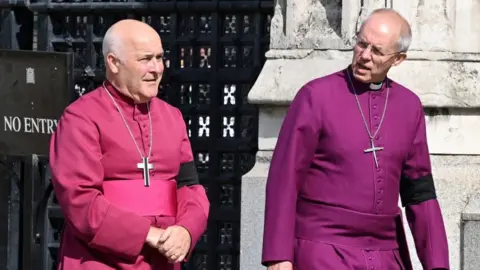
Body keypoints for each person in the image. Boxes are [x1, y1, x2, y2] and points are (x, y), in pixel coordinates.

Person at [261, 8, 449, 270]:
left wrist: (437, 264)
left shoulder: (409, 106)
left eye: (377, 51)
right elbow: (284, 179)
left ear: (398, 59)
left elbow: (420, 193)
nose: (365, 56)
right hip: (322, 250)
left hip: (385, 256)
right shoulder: (315, 97)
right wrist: (279, 256)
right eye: (362, 44)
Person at [49, 19, 210, 270]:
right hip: (99, 260)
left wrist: (186, 230)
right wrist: (148, 233)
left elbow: (189, 186)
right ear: (114, 63)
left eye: (159, 57)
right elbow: (80, 200)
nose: (156, 68)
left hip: (162, 259)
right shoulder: (81, 117)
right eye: (146, 59)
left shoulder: (172, 117)